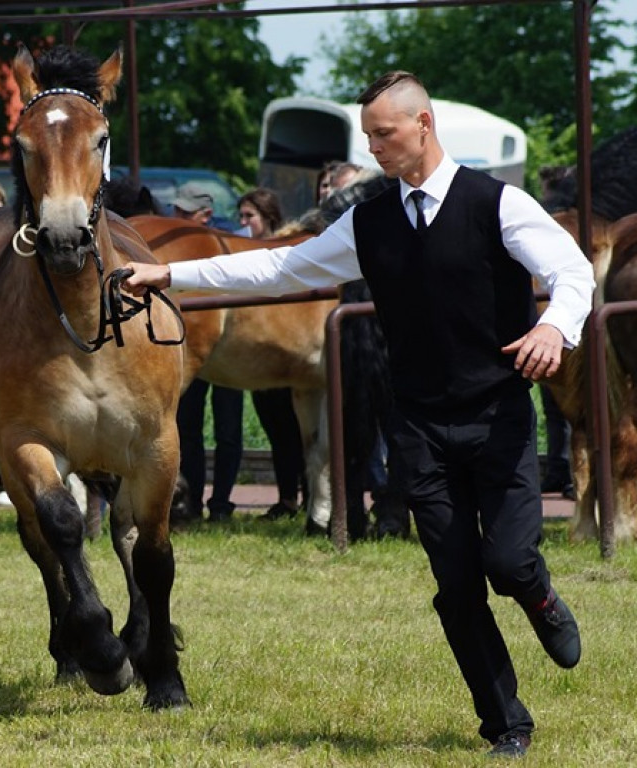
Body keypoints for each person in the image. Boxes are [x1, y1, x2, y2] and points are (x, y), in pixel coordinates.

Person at [123, 70, 593, 758]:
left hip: (498, 417)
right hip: (420, 428)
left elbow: (572, 272)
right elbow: (281, 269)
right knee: (456, 587)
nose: (373, 147)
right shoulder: (368, 221)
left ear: (424, 124)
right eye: (368, 136)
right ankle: (507, 724)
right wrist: (173, 274)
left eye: (383, 133)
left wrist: (555, 326)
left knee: (510, 561)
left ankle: (540, 596)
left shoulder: (497, 203)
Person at [172, 183, 244, 523]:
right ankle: (193, 501)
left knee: (228, 430)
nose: (178, 217)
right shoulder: (177, 246)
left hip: (227, 348)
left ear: (206, 215)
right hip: (193, 344)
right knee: (188, 428)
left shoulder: (226, 245)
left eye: (186, 212)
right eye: (177, 210)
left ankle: (221, 503)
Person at [236, 188, 307, 522]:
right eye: (241, 216)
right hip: (260, 355)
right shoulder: (243, 253)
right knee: (277, 434)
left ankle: (308, 496)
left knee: (298, 430)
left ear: (268, 217)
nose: (243, 223)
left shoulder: (286, 250)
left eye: (249, 216)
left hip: (289, 356)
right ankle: (287, 498)